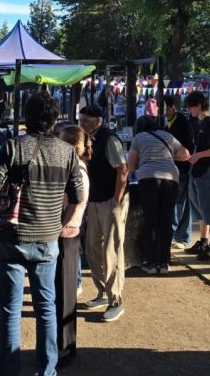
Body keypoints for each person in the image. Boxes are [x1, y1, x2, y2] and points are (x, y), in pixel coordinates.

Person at [0, 92, 84, 376]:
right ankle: (47, 370)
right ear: (55, 119)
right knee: (46, 308)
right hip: (47, 240)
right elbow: (78, 197)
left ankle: (9, 370)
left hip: (11, 239)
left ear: (27, 116)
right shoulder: (67, 152)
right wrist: (61, 225)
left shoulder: (12, 147)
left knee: (10, 311)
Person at [79, 104, 129, 322]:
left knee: (111, 249)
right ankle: (102, 291)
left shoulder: (109, 139)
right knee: (92, 247)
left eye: (86, 120)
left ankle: (116, 299)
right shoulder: (87, 138)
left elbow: (122, 170)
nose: (82, 124)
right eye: (80, 120)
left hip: (110, 200)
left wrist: (116, 201)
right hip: (95, 199)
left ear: (98, 120)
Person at [128, 116, 190, 274]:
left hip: (148, 179)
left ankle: (151, 262)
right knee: (166, 220)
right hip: (171, 178)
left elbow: (131, 165)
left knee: (152, 220)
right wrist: (169, 157)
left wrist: (145, 160)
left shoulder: (138, 138)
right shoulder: (167, 136)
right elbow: (185, 154)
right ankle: (164, 262)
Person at [55, 125, 91, 366]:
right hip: (67, 233)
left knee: (65, 296)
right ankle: (62, 344)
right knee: (60, 294)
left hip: (66, 235)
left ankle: (65, 347)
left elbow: (73, 204)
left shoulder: (76, 171)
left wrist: (56, 226)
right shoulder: (74, 167)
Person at [184, 91, 210, 261]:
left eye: (191, 106)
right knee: (199, 208)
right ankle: (203, 240)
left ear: (199, 105)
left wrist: (198, 156)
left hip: (208, 171)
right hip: (196, 171)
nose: (189, 110)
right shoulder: (195, 121)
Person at [163, 94, 195, 249]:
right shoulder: (165, 122)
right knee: (178, 201)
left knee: (180, 201)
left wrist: (176, 156)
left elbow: (189, 146)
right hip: (170, 168)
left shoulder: (181, 122)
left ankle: (179, 236)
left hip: (181, 167)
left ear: (171, 107)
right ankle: (180, 236)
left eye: (163, 108)